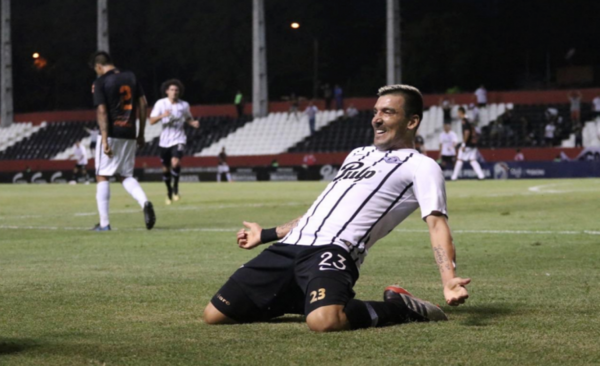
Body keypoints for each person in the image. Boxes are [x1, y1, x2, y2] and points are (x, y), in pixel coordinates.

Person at [203, 84, 470, 332]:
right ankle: (304, 300)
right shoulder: (357, 154)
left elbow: (437, 224)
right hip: (290, 247)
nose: (376, 118)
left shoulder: (422, 166)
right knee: (215, 314)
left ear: (412, 121)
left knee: (324, 322)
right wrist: (267, 234)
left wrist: (448, 278)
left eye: (388, 112)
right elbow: (323, 212)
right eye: (376, 111)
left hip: (334, 250)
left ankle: (399, 308)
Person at [89, 51, 155, 231]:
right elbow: (143, 104)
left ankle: (104, 224)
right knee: (125, 175)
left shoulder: (101, 81)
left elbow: (102, 111)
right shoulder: (131, 76)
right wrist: (140, 133)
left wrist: (103, 139)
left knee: (102, 175)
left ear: (99, 66)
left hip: (111, 132)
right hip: (129, 132)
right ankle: (145, 202)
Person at [149, 79, 200, 205]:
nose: (174, 92)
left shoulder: (184, 105)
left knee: (175, 162)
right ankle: (169, 191)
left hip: (179, 138)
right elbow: (151, 121)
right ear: (167, 91)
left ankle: (176, 188)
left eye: (176, 90)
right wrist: (163, 116)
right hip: (164, 141)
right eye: (172, 90)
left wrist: (192, 122)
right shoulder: (161, 104)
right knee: (165, 168)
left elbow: (188, 117)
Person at [451, 107, 485, 180]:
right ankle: (481, 176)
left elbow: (467, 132)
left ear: (460, 112)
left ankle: (454, 177)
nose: (458, 114)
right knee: (472, 160)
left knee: (459, 159)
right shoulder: (469, 120)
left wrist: (463, 144)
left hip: (468, 144)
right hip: (473, 143)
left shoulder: (464, 121)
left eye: (458, 113)